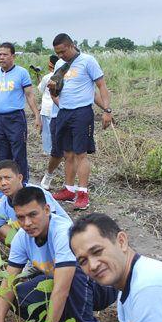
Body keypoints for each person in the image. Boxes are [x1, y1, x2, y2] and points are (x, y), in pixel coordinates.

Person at [0, 187, 113, 322]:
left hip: (100, 287)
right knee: (16, 295)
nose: (27, 222)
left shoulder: (63, 233)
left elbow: (61, 291)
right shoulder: (21, 238)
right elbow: (8, 282)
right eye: (21, 217)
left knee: (75, 272)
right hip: (67, 286)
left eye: (33, 214)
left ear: (47, 210)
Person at [0, 159, 70, 293]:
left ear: (20, 178)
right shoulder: (1, 205)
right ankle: (33, 262)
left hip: (61, 243)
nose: (3, 183)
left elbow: (51, 228)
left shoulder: (36, 194)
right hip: (33, 240)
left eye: (8, 177)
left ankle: (44, 264)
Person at [45, 33, 114, 210]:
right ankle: (69, 190)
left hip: (82, 113)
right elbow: (56, 93)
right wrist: (52, 89)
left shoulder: (88, 61)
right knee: (67, 153)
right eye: (57, 52)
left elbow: (101, 86)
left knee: (80, 154)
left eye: (62, 51)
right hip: (64, 113)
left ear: (71, 46)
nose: (60, 55)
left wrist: (107, 110)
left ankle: (83, 193)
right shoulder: (60, 65)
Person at [0, 43, 42, 184]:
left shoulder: (22, 73)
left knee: (18, 154)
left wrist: (37, 116)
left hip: (16, 118)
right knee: (2, 154)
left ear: (13, 56)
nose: (1, 57)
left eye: (5, 54)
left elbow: (30, 96)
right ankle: (3, 184)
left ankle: (22, 185)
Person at [37, 56, 60, 156]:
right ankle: (57, 149)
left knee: (46, 131)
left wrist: (37, 76)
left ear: (49, 64)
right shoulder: (61, 76)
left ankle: (47, 150)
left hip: (46, 107)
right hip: (57, 107)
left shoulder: (46, 77)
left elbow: (40, 89)